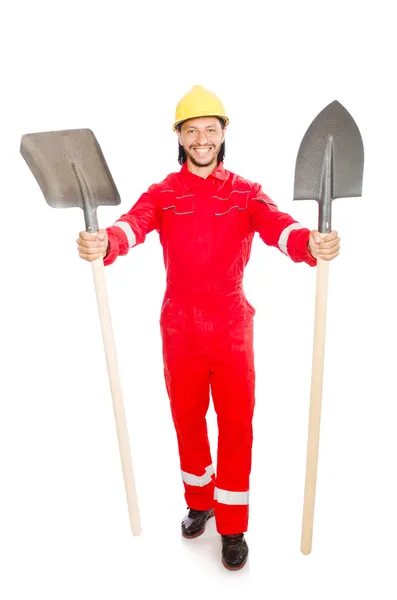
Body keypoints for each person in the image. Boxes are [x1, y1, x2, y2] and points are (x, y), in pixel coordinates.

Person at [77, 85, 340, 570]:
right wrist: (106, 242)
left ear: (222, 134)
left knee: (237, 427)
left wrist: (311, 243)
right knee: (188, 420)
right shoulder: (163, 193)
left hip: (232, 331)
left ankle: (233, 525)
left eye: (210, 130)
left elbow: (279, 227)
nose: (202, 139)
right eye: (192, 130)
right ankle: (200, 502)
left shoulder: (244, 192)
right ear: (179, 136)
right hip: (179, 331)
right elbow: (132, 225)